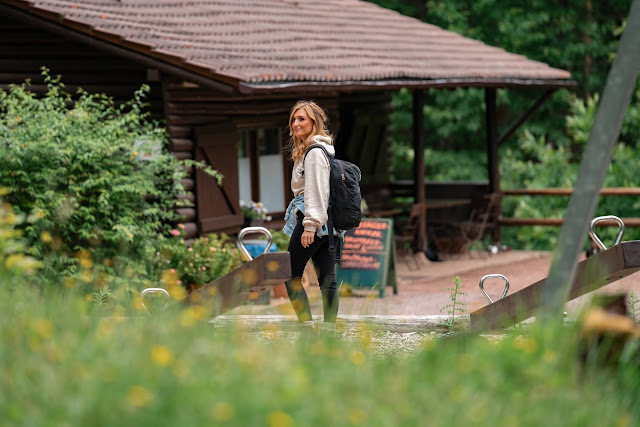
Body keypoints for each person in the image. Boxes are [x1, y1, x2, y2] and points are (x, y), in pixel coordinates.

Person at [282, 100, 339, 332]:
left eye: (302, 119)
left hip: (314, 219)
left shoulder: (315, 152)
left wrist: (310, 226)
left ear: (315, 122)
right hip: (328, 222)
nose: (296, 123)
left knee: (290, 274)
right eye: (293, 119)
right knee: (327, 279)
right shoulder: (313, 149)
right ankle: (329, 331)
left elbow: (316, 190)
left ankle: (306, 328)